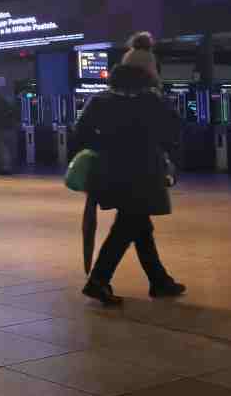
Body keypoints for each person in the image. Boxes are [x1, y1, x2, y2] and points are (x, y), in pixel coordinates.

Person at [75, 32, 186, 305]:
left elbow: (81, 133)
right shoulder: (152, 100)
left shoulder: (101, 100)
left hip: (110, 174)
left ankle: (160, 281)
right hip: (143, 174)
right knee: (127, 227)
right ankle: (98, 281)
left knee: (139, 226)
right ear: (150, 71)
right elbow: (174, 132)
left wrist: (107, 146)